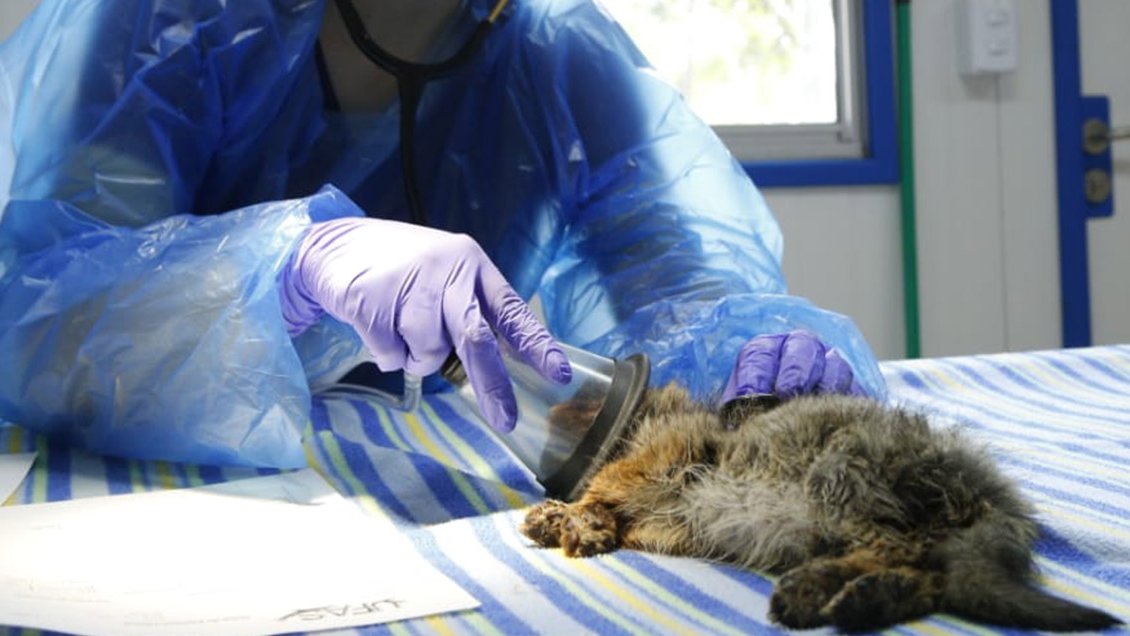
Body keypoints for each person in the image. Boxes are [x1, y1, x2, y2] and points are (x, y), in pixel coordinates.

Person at [0, 0, 885, 469]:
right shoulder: (167, 23)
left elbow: (676, 281)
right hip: (165, 495)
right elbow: (44, 317)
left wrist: (744, 347)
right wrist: (285, 270)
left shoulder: (562, 56)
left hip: (434, 504)